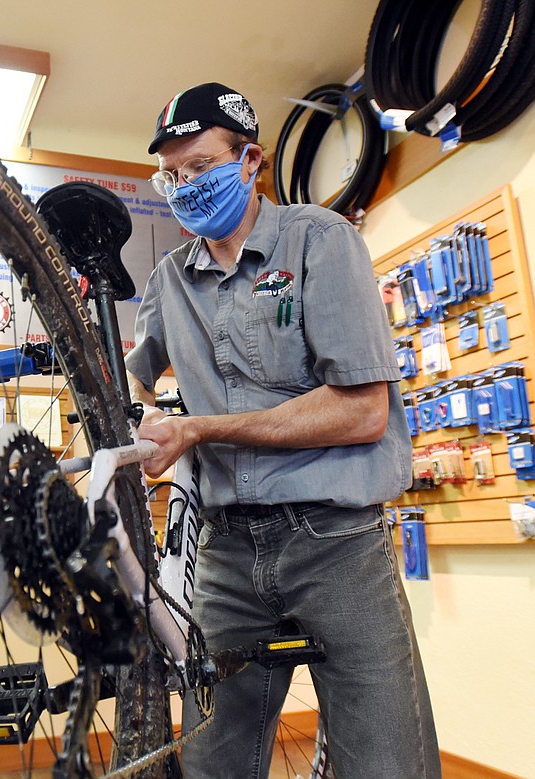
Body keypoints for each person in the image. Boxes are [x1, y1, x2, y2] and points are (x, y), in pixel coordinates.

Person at [124, 82, 441, 778]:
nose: (185, 187)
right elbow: (129, 379)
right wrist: (129, 409)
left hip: (337, 541)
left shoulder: (321, 241)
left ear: (251, 160)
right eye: (171, 176)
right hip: (227, 555)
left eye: (201, 167)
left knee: (388, 762)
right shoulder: (169, 281)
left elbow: (362, 410)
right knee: (212, 764)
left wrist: (199, 429)